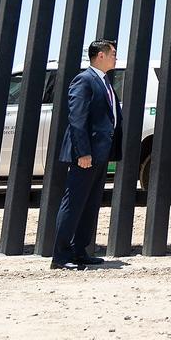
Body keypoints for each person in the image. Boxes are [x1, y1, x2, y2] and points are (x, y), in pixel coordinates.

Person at [51, 39, 123, 270]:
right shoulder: (84, 80)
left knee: (90, 205)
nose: (115, 57)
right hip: (86, 155)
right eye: (112, 53)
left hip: (100, 155)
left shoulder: (104, 82)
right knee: (73, 203)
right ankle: (60, 257)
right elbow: (77, 118)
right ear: (99, 55)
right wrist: (83, 152)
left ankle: (80, 251)